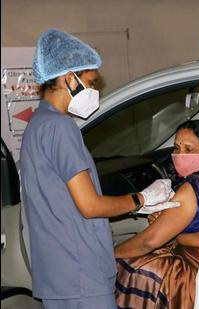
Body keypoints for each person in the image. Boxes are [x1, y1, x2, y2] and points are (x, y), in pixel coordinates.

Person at [20, 29, 178, 309]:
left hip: (59, 273)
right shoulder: (60, 126)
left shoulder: (37, 124)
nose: (94, 91)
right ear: (69, 78)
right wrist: (141, 199)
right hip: (80, 273)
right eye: (91, 83)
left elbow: (61, 200)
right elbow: (90, 206)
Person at [115, 120, 199, 309]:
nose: (179, 155)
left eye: (188, 150)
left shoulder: (195, 186)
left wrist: (109, 255)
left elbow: (147, 242)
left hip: (197, 276)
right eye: (176, 148)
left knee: (134, 267)